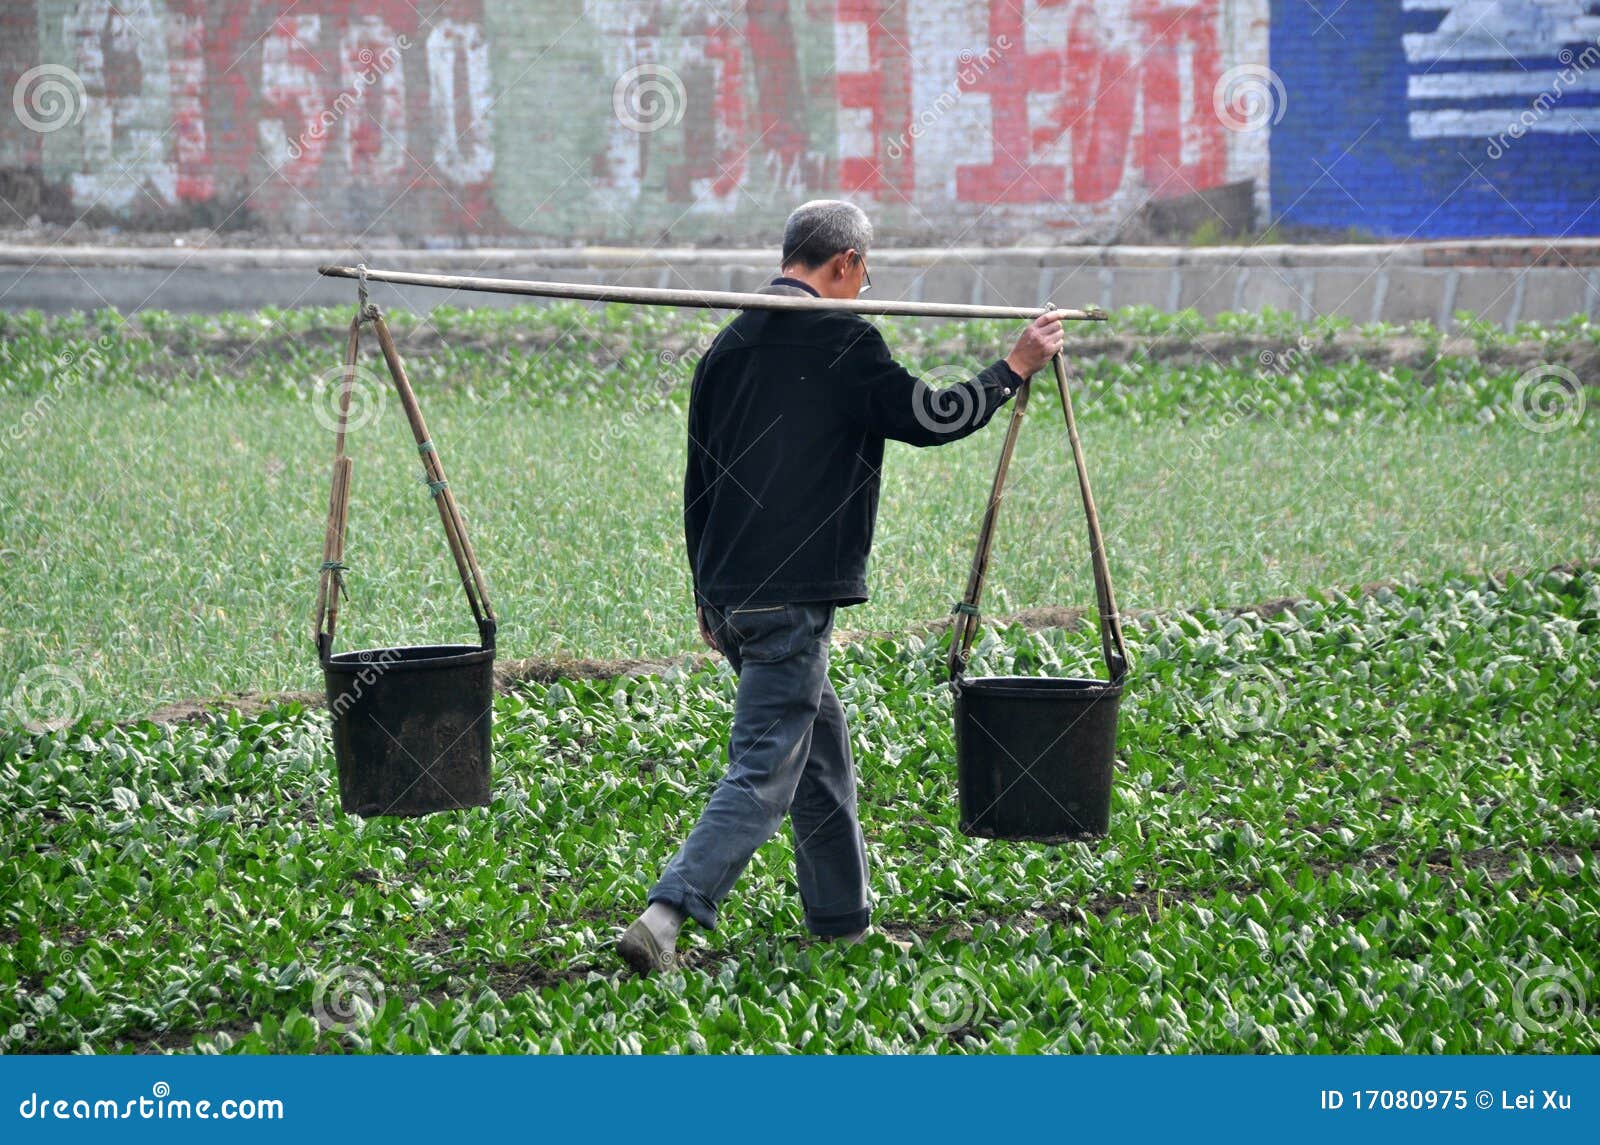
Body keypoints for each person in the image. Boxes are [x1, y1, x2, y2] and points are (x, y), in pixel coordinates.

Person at [618, 199, 1073, 973]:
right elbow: (932, 415)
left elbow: (698, 480)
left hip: (734, 595)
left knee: (818, 753)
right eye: (865, 276)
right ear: (846, 265)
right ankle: (666, 914)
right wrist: (1013, 369)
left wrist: (706, 594)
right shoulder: (843, 338)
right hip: (790, 597)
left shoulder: (728, 344)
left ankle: (843, 921)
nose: (865, 291)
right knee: (765, 767)